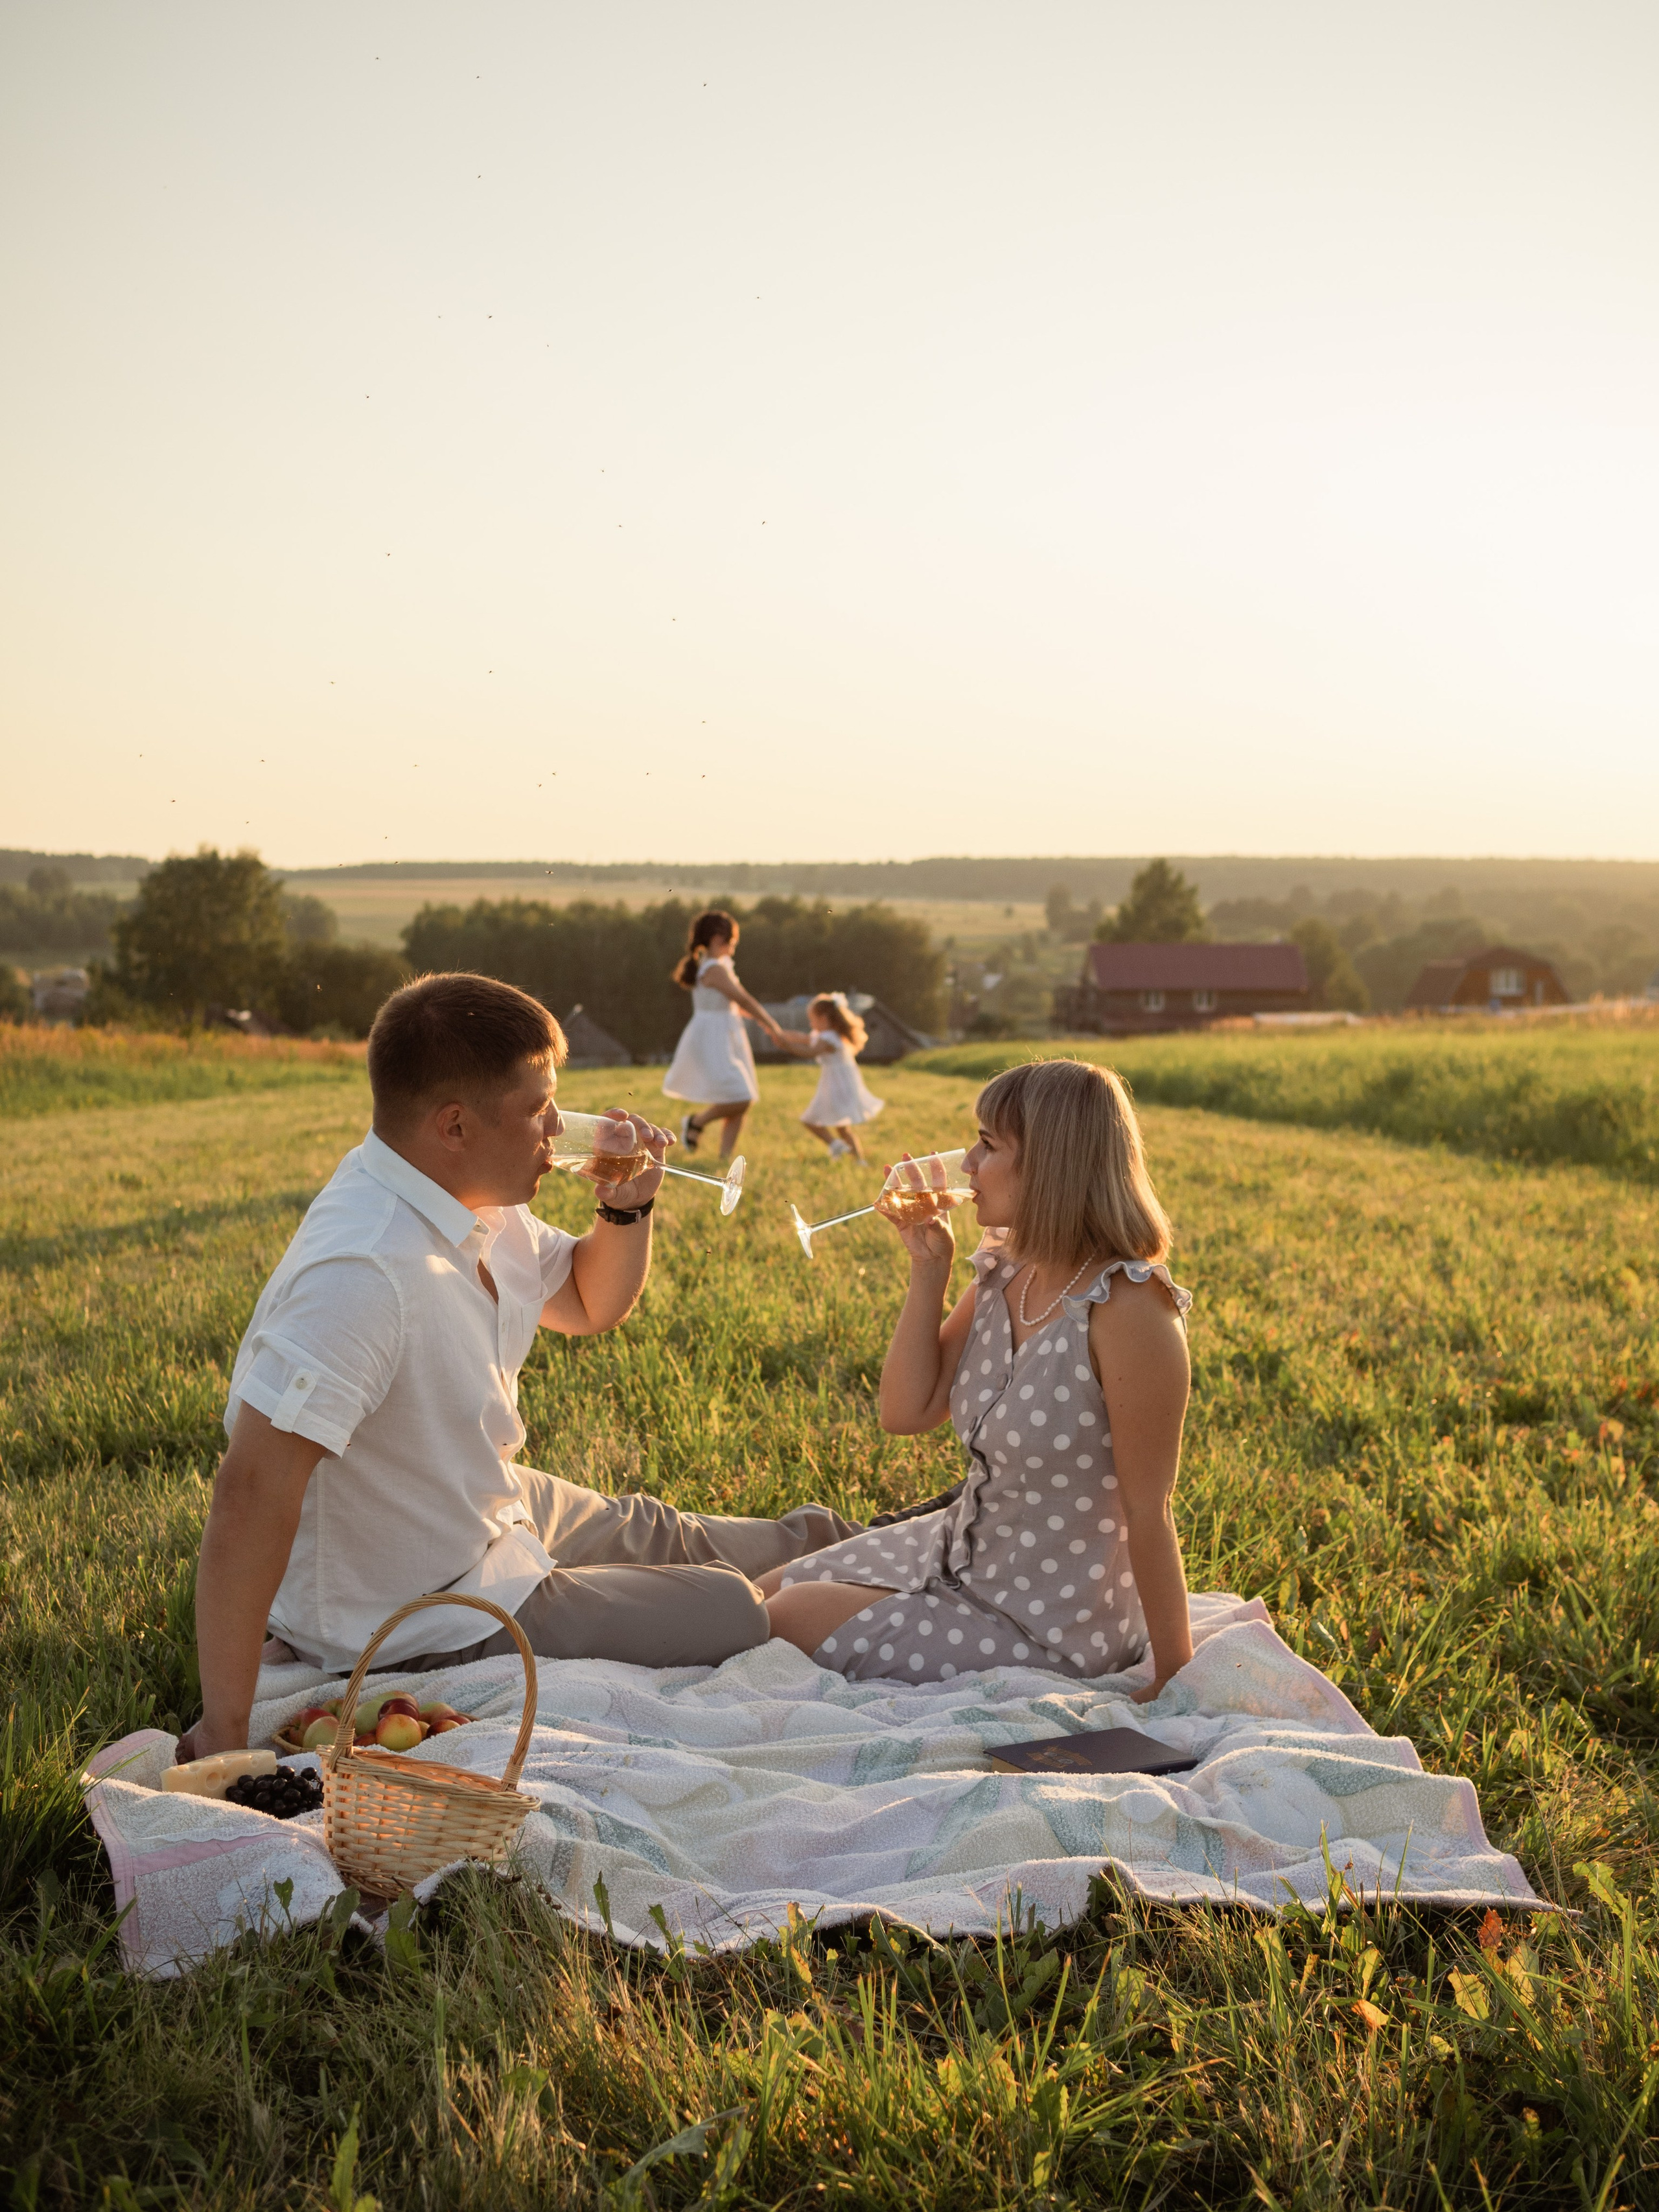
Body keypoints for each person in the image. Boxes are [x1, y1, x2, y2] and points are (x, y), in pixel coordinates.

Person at [176, 972, 859, 1762]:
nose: (560, 1129)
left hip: (478, 1501)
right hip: (434, 1599)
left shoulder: (471, 1196)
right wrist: (225, 1727)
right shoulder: (361, 1272)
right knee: (733, 1611)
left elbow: (585, 1302)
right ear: (455, 1123)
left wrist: (625, 1208)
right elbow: (251, 1491)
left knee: (680, 1530)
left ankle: (901, 1543)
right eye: (540, 1110)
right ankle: (872, 1592)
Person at [761, 1058, 1193, 1699]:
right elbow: (907, 1411)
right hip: (958, 1551)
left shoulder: (1128, 1309)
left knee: (776, 1619)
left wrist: (1173, 1677)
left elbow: (1147, 1508)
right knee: (767, 1589)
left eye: (989, 1145)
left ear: (1051, 1164)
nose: (965, 1161)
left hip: (1045, 1621)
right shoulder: (1008, 1268)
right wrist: (927, 1271)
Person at [662, 909, 780, 1159]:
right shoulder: (714, 969)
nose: (734, 949)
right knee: (742, 1096)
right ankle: (696, 1122)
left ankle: (724, 1159)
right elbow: (743, 999)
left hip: (726, 1034)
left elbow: (734, 1005)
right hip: (713, 1038)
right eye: (732, 943)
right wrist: (773, 1025)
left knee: (737, 1098)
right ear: (718, 939)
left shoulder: (718, 966)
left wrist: (760, 1022)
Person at [775, 992, 885, 1162]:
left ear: (824, 1018)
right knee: (843, 1127)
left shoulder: (828, 1038)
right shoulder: (830, 1036)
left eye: (813, 1020)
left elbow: (810, 1052)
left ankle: (836, 1145)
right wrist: (781, 1034)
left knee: (810, 1120)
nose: (811, 1024)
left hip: (837, 1086)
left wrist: (786, 1045)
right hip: (841, 1084)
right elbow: (804, 1038)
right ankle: (859, 1160)